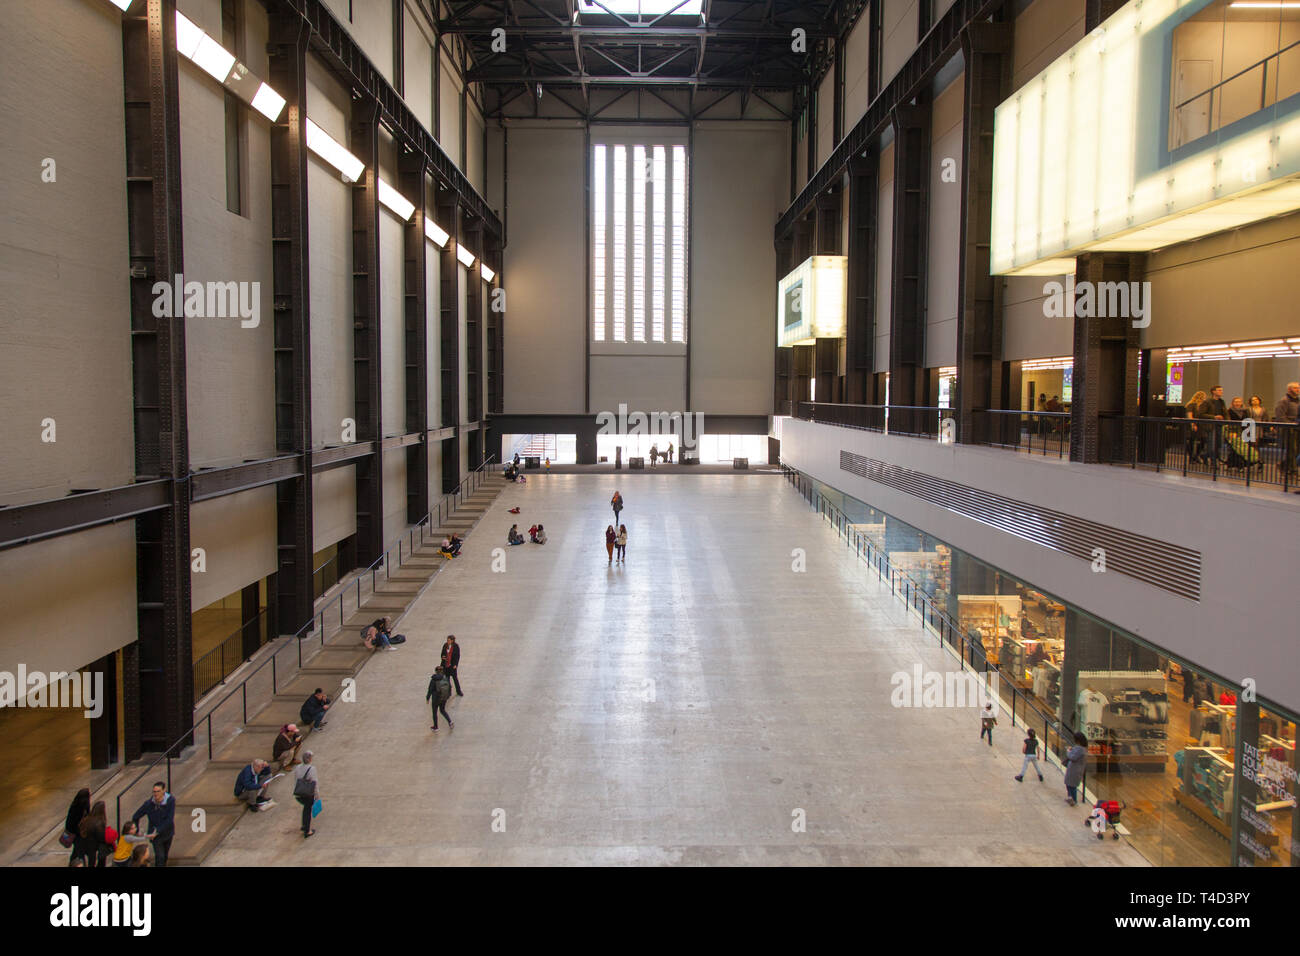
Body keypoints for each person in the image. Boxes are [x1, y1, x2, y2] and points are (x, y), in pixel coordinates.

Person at [131, 781, 176, 867]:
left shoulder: (170, 801)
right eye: (154, 791)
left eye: (158, 791)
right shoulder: (149, 804)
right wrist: (136, 830)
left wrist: (158, 830)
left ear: (164, 790)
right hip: (155, 836)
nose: (155, 794)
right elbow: (136, 816)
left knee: (165, 856)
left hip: (167, 832)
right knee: (160, 857)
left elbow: (169, 819)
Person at [75, 800, 116, 867]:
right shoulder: (99, 822)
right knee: (92, 862)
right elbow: (101, 837)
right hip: (92, 846)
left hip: (84, 843)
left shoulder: (87, 818)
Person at [1275, 382, 1299, 477]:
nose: (1298, 390)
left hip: (1297, 428)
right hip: (1289, 429)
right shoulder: (1284, 401)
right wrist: (1290, 424)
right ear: (1289, 389)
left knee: (1296, 450)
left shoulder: (1298, 401)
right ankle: (1293, 470)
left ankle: (1283, 465)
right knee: (1292, 449)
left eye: (1298, 388)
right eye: (1296, 388)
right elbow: (1280, 416)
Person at [293, 751, 319, 838]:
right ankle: (307, 830)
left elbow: (296, 779)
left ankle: (304, 825)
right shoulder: (312, 769)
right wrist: (317, 795)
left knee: (305, 808)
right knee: (308, 810)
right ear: (310, 759)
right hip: (308, 793)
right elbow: (314, 783)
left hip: (299, 792)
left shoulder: (297, 768)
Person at [63, 788, 91, 866]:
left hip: (76, 833)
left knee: (76, 852)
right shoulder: (80, 809)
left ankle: (72, 863)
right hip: (77, 835)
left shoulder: (74, 806)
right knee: (80, 853)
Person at [1063, 732, 1088, 806]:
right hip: (1073, 769)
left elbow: (1072, 757)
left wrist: (1068, 752)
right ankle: (1071, 798)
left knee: (1072, 785)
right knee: (1070, 784)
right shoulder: (1081, 748)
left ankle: (1073, 799)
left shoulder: (1080, 749)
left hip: (1075, 770)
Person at [426, 666, 454, 732]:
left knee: (434, 712)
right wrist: (448, 695)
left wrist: (427, 698)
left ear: (436, 671)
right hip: (443, 697)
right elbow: (449, 686)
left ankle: (436, 727)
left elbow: (430, 689)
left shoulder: (434, 679)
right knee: (442, 710)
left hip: (436, 698)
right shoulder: (445, 678)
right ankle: (450, 722)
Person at [1184, 390, 1208, 463]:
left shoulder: (1203, 406)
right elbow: (1189, 415)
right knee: (1192, 440)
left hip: (1201, 425)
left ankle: (1196, 455)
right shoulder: (1191, 404)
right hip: (1193, 424)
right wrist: (1193, 424)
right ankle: (1191, 457)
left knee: (1203, 440)